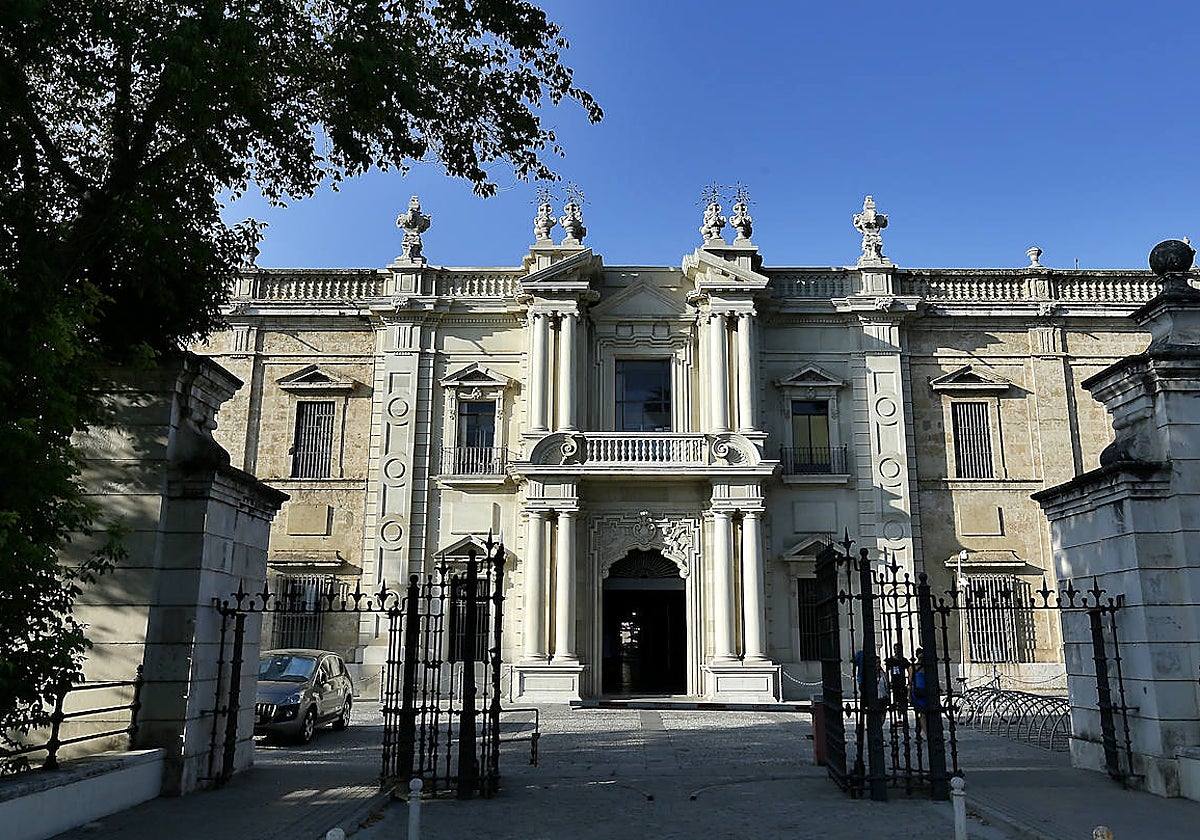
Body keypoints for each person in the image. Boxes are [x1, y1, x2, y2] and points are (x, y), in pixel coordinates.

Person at [884, 643, 910, 710]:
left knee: (902, 695)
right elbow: (887, 671)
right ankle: (895, 704)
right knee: (895, 693)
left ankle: (902, 708)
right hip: (894, 680)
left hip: (902, 680)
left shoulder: (903, 660)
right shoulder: (891, 660)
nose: (896, 651)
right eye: (895, 649)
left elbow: (909, 669)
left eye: (898, 649)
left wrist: (909, 680)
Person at [911, 648, 929, 733]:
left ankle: (920, 729)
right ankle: (925, 732)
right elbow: (911, 681)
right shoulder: (913, 667)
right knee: (922, 712)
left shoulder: (928, 666)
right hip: (918, 691)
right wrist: (909, 695)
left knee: (926, 711)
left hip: (927, 691)